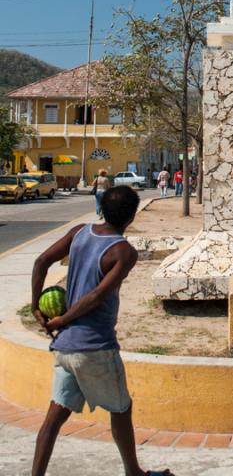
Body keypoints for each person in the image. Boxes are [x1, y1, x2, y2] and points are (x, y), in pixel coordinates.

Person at [30, 186, 174, 476]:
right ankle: (133, 472)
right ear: (131, 216)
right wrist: (62, 319)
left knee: (54, 417)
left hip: (65, 348)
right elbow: (96, 296)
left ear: (101, 209)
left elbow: (41, 261)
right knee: (121, 409)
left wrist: (37, 307)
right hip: (95, 346)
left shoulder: (80, 232)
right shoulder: (124, 252)